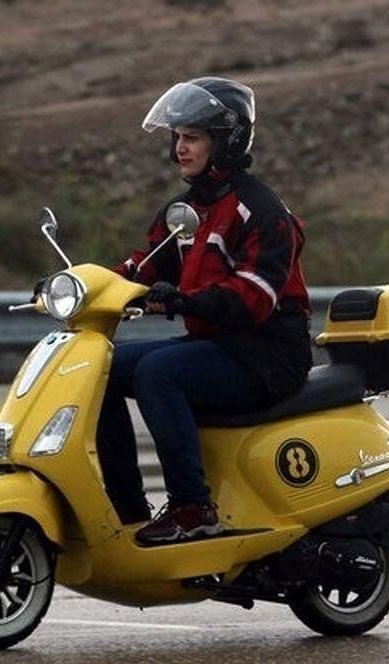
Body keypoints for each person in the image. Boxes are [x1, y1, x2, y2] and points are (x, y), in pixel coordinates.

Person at [98, 76, 312, 546]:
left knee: (158, 372)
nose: (179, 148)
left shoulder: (262, 211)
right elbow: (144, 265)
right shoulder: (187, 210)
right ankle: (126, 505)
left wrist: (185, 300)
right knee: (100, 367)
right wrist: (85, 285)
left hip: (267, 355)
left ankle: (193, 508)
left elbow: (253, 299)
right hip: (218, 344)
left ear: (226, 142)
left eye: (192, 137)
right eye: (177, 137)